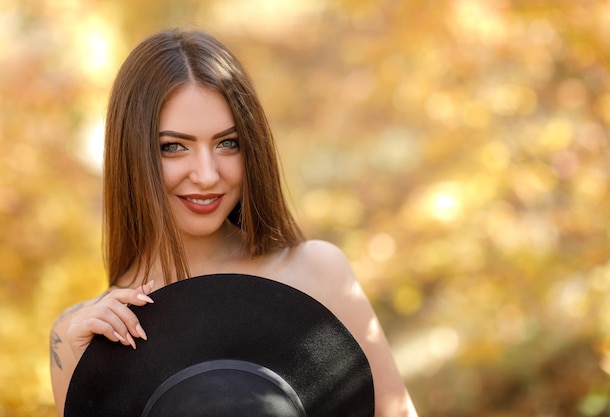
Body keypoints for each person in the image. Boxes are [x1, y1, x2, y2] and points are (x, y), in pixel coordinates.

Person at [49, 28, 417, 417]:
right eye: (173, 147)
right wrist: (86, 363)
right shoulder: (82, 334)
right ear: (132, 154)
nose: (207, 175)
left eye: (228, 143)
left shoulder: (318, 272)